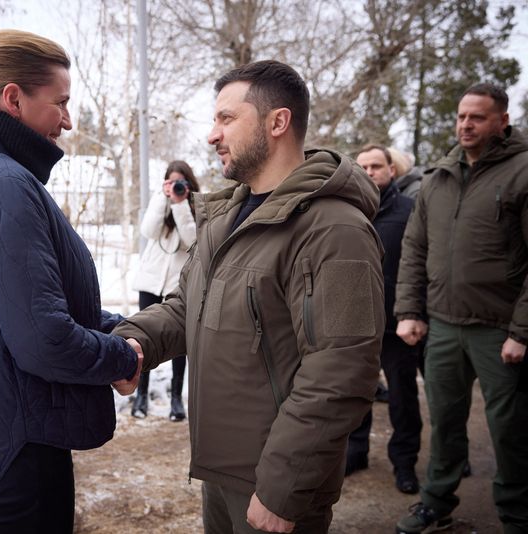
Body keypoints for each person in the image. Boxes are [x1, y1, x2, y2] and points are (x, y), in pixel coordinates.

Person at [114, 60, 385, 533]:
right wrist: (137, 341)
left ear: (277, 122)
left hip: (274, 482)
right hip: (223, 470)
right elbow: (187, 305)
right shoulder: (227, 216)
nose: (211, 135)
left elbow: (341, 371)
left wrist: (284, 485)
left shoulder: (336, 230)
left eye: (226, 118)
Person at [0, 29, 141, 534]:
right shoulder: (2, 187)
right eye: (60, 103)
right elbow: (44, 339)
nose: (67, 120)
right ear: (14, 99)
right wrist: (123, 357)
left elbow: (11, 308)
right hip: (16, 452)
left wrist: (120, 327)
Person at [394, 83, 528, 534]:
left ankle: (516, 513)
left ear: (502, 121)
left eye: (477, 117)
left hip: (500, 327)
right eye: (460, 116)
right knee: (446, 421)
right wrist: (410, 311)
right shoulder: (440, 177)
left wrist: (522, 331)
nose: (465, 125)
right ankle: (436, 503)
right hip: (444, 325)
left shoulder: (522, 171)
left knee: (510, 429)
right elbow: (415, 248)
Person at [346, 144, 421, 495]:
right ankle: (356, 452)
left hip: (396, 322)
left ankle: (404, 462)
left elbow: (421, 263)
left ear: (392, 170)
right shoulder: (345, 210)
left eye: (377, 166)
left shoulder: (410, 210)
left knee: (402, 397)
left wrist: (415, 312)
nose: (370, 171)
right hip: (354, 321)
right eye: (363, 166)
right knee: (356, 393)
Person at [130, 160, 199, 421]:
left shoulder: (195, 208)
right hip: (150, 283)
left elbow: (192, 241)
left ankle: (175, 401)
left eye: (181, 182)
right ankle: (141, 396)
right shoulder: (160, 203)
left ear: (189, 184)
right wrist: (163, 197)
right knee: (144, 339)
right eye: (171, 182)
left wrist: (181, 204)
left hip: (177, 287)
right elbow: (148, 230)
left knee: (178, 344)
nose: (176, 186)